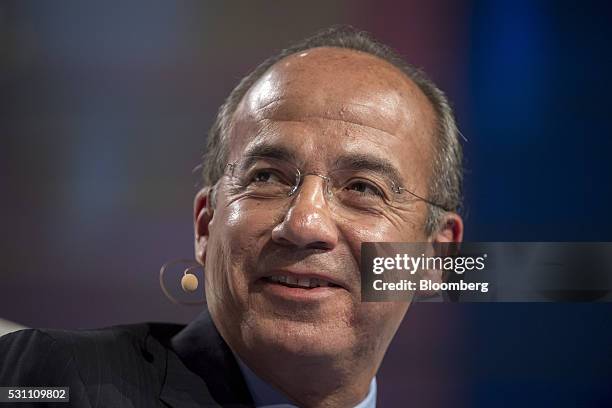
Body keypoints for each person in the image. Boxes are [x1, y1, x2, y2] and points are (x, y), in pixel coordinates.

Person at [0, 26, 463, 407]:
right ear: (206, 224)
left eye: (363, 188)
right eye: (267, 177)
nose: (305, 224)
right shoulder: (58, 378)